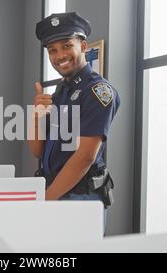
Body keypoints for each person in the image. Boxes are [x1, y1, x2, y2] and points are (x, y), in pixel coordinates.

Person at [28, 12, 120, 210]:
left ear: (84, 46)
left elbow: (86, 156)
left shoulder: (97, 91)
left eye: (67, 46)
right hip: (55, 193)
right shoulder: (61, 91)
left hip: (80, 198)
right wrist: (35, 117)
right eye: (52, 50)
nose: (59, 55)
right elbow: (38, 151)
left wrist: (45, 200)